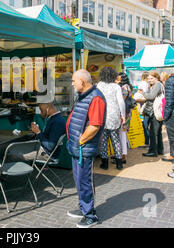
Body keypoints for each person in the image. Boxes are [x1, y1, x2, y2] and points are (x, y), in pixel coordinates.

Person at [66, 69, 106, 228]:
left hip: (84, 148)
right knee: (79, 179)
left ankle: (90, 215)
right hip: (78, 147)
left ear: (82, 82)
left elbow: (95, 126)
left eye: (74, 80)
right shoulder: (85, 95)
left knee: (84, 181)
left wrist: (81, 140)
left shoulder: (96, 98)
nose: (72, 83)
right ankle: (84, 208)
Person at [96, 67, 126, 170]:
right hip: (114, 115)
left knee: (103, 140)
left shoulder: (99, 85)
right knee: (116, 139)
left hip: (102, 114)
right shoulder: (116, 87)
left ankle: (104, 164)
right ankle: (119, 163)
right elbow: (121, 102)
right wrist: (123, 115)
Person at [139, 71, 165, 157]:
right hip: (157, 110)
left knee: (153, 132)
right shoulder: (158, 84)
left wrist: (142, 93)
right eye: (148, 78)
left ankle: (153, 151)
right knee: (158, 132)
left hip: (155, 111)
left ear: (156, 78)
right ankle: (159, 150)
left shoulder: (157, 84)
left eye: (151, 78)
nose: (149, 80)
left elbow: (151, 96)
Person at [115, 72, 134, 164]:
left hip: (123, 114)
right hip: (126, 112)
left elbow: (121, 101)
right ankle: (121, 155)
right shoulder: (128, 86)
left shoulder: (123, 88)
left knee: (122, 134)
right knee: (123, 134)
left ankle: (122, 157)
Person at [135, 71, 150, 147]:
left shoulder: (142, 83)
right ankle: (147, 141)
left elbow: (141, 93)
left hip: (143, 105)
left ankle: (147, 142)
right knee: (146, 124)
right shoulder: (147, 84)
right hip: (145, 105)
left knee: (145, 125)